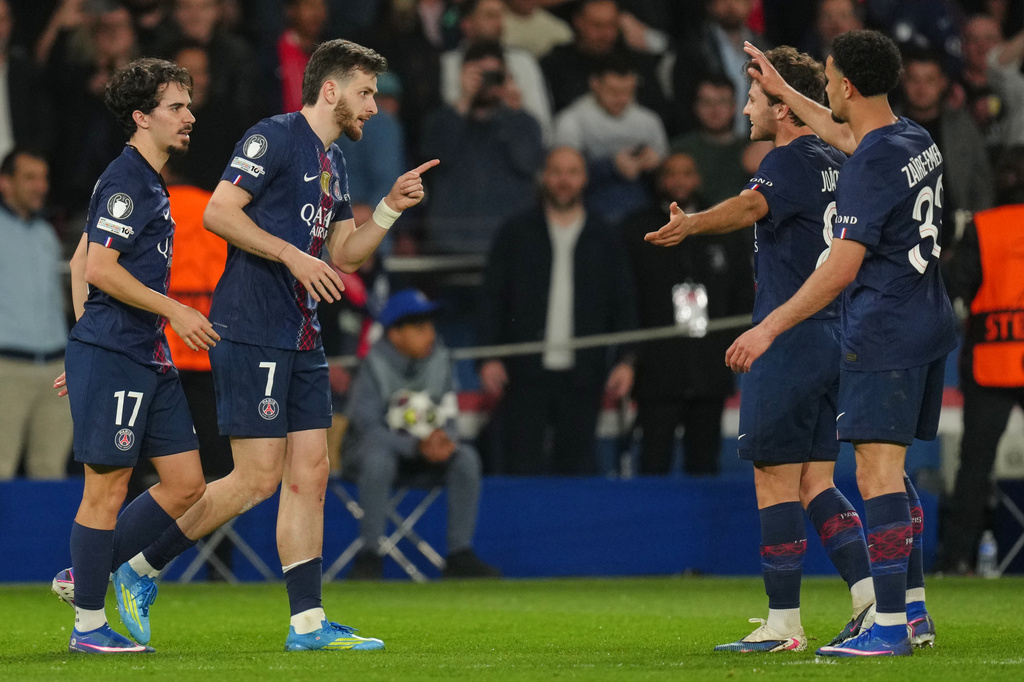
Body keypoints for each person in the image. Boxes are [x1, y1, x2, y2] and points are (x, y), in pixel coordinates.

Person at [109, 38, 438, 652]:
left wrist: (389, 209)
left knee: (311, 473)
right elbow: (219, 212)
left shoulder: (334, 163)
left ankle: (307, 625)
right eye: (365, 93)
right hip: (252, 324)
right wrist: (290, 254)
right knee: (256, 479)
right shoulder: (274, 136)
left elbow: (341, 254)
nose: (374, 105)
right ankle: (138, 568)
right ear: (332, 89)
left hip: (303, 330)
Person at [646, 46, 875, 653]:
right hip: (835, 334)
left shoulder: (790, 157)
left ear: (782, 106)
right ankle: (870, 600)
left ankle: (784, 624)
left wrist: (692, 223)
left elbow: (751, 204)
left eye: (754, 97)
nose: (747, 107)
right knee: (817, 483)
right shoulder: (836, 157)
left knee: (774, 480)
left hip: (791, 337)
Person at [735, 32, 956, 656]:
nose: (824, 88)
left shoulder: (869, 163)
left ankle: (885, 624)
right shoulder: (913, 139)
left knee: (875, 470)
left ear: (846, 85)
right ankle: (910, 612)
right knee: (893, 468)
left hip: (883, 328)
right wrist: (783, 92)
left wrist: (768, 326)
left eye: (828, 79)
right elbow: (849, 137)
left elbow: (839, 268)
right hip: (930, 318)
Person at [53, 57, 218, 654]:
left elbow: (78, 262)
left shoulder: (147, 182)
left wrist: (85, 337)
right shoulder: (127, 179)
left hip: (139, 353)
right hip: (125, 350)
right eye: (176, 107)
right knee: (108, 488)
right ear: (141, 116)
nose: (188, 116)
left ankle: (86, 575)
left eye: (188, 105)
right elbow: (99, 268)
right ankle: (89, 627)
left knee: (187, 484)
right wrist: (100, 339)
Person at [477, 146, 637, 475]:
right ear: (544, 177)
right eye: (557, 171)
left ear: (585, 179)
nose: (564, 180)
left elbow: (624, 301)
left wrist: (626, 359)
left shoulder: (605, 236)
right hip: (523, 374)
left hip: (584, 375)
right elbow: (492, 298)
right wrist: (488, 356)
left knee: (576, 468)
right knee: (522, 466)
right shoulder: (515, 232)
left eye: (573, 172)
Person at [344, 289, 500, 580]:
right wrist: (415, 446)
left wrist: (444, 439)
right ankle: (369, 555)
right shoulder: (372, 364)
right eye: (419, 327)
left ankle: (459, 554)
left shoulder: (440, 359)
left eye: (431, 326)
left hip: (427, 453)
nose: (430, 333)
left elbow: (449, 414)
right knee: (379, 459)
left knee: (466, 457)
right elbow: (369, 429)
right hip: (374, 456)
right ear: (395, 335)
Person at [621, 152, 753, 476]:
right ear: (660, 179)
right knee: (653, 463)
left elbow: (742, 296)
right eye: (671, 173)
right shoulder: (636, 230)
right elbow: (626, 298)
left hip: (710, 370)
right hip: (657, 371)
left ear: (698, 178)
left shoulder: (724, 227)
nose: (679, 181)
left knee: (704, 464)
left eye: (687, 172)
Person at [940, 149, 1024, 574]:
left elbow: (957, 286)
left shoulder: (984, 227)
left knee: (974, 465)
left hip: (989, 361)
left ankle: (957, 558)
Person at [422, 40, 544, 254]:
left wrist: (510, 110)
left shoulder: (524, 123)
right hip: (452, 242)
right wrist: (463, 101)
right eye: (480, 75)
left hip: (511, 243)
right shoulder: (440, 121)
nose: (488, 83)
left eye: (495, 75)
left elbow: (528, 162)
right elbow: (437, 159)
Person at [0, 149, 73, 480]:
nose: (40, 186)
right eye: (29, 177)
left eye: (43, 178)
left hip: (55, 372)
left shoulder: (46, 234)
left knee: (50, 474)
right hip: (7, 368)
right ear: (5, 182)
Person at [552, 53, 668, 226]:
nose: (621, 99)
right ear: (594, 84)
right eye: (613, 91)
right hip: (589, 210)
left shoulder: (648, 121)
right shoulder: (571, 120)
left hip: (642, 210)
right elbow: (562, 176)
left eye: (628, 92)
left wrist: (656, 165)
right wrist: (611, 166)